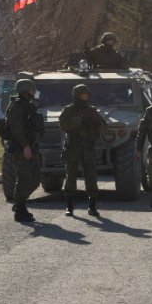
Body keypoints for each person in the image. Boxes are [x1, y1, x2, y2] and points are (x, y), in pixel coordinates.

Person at [59, 84, 107, 217]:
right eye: (82, 95)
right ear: (76, 95)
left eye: (86, 95)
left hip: (88, 147)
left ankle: (92, 207)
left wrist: (96, 122)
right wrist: (80, 120)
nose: (85, 97)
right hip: (73, 147)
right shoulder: (68, 110)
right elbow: (63, 125)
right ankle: (69, 207)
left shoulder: (92, 110)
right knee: (71, 178)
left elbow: (104, 129)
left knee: (91, 178)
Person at [7, 79, 44, 223]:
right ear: (23, 90)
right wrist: (25, 146)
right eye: (30, 89)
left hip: (31, 147)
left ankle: (19, 203)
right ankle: (20, 210)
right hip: (21, 148)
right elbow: (17, 129)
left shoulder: (28, 105)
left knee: (35, 179)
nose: (32, 92)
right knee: (24, 178)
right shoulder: (17, 106)